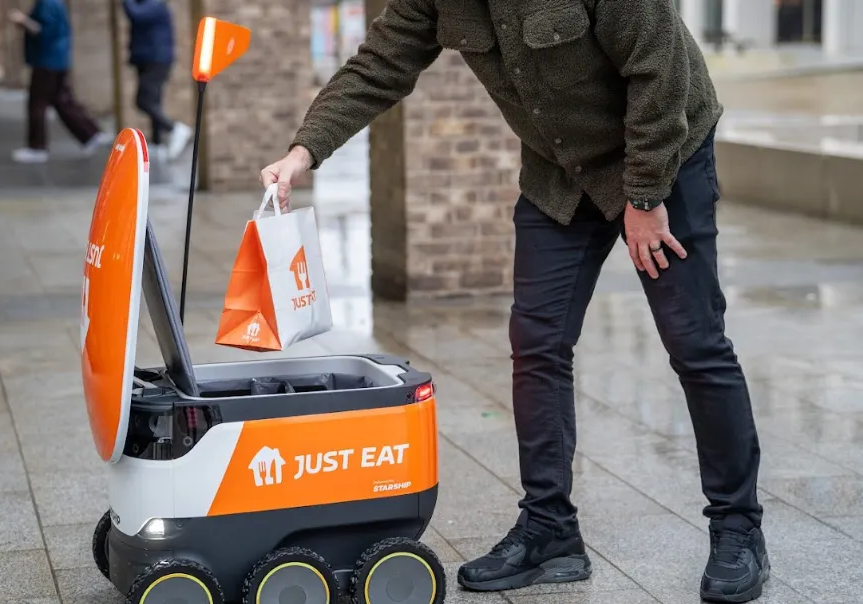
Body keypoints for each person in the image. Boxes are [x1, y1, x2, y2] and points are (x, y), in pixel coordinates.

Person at [260, 1, 768, 602]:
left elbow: (660, 68)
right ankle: (550, 531)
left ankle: (738, 529)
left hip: (665, 154)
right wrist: (304, 151)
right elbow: (380, 64)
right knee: (537, 342)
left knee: (695, 342)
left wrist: (645, 196)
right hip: (561, 170)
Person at [8, 0, 111, 163]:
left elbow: (43, 31)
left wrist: (23, 21)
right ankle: (90, 134)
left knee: (37, 103)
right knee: (61, 100)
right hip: (57, 59)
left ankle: (37, 146)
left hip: (47, 61)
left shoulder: (47, 4)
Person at [123, 0, 192, 160]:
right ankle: (157, 143)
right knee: (154, 101)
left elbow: (137, 15)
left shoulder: (155, 4)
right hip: (147, 58)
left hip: (156, 59)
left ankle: (175, 128)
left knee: (143, 101)